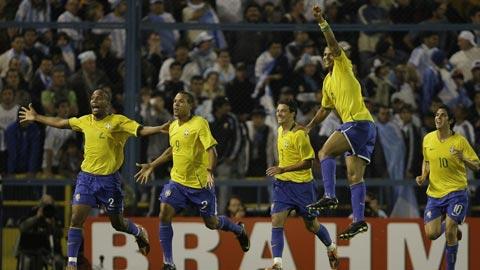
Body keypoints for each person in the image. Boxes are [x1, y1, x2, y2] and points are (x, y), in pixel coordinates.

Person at [19, 88, 170, 270]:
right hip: (86, 179)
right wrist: (37, 117)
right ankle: (72, 263)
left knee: (118, 223)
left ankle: (139, 231)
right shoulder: (85, 121)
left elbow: (141, 130)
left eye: (99, 98)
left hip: (110, 182)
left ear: (108, 104)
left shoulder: (118, 121)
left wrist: (160, 128)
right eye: (92, 98)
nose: (94, 101)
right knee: (76, 219)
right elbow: (60, 122)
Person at [135, 91, 250, 270]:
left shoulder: (200, 123)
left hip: (200, 185)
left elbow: (212, 150)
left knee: (211, 223)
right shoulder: (173, 126)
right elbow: (172, 150)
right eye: (174, 101)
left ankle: (239, 230)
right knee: (164, 213)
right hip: (178, 182)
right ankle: (169, 263)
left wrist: (210, 170)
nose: (176, 104)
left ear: (190, 105)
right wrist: (152, 164)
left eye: (181, 101)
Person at [305, 6, 377, 240]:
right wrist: (309, 126)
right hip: (366, 127)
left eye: (329, 54)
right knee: (355, 177)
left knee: (324, 152)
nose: (327, 56)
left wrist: (323, 23)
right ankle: (359, 220)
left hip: (357, 123)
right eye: (324, 55)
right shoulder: (327, 82)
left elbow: (334, 45)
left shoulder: (343, 66)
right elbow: (325, 109)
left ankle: (329, 195)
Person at [265, 99, 338, 270]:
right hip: (283, 185)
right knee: (276, 220)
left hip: (303, 186)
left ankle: (331, 246)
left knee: (311, 225)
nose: (279, 114)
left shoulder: (300, 134)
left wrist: (283, 169)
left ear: (292, 113)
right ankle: (277, 263)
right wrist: (282, 172)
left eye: (283, 111)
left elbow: (308, 162)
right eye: (277, 111)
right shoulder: (280, 130)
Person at [416, 105, 480, 270]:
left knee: (451, 229)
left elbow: (476, 165)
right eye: (437, 115)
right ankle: (450, 226)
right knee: (432, 234)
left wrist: (463, 158)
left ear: (450, 120)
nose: (438, 118)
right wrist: (423, 175)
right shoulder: (428, 139)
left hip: (456, 192)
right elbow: (427, 160)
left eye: (443, 115)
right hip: (435, 194)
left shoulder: (459, 141)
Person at [17, 194, 64, 270]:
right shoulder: (32, 213)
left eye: (49, 205)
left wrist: (51, 224)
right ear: (40, 205)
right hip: (29, 250)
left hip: (47, 252)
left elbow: (60, 234)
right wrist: (36, 217)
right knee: (27, 262)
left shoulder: (53, 217)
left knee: (58, 262)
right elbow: (22, 227)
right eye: (45, 205)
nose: (47, 209)